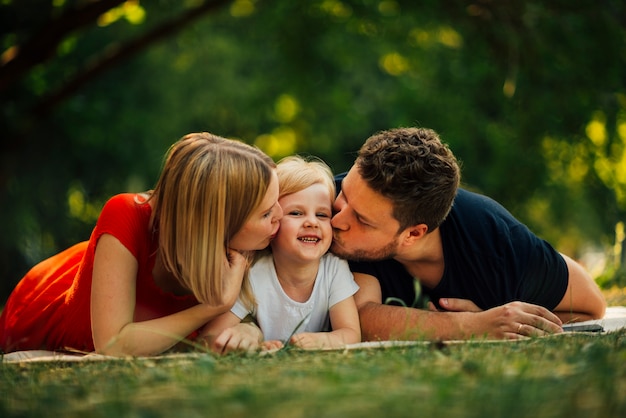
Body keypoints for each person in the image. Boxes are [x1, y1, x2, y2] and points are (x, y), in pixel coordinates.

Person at [0, 132, 283, 356]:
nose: (280, 217)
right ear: (217, 223)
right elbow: (113, 344)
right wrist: (213, 306)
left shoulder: (248, 244)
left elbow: (222, 331)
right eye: (267, 213)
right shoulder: (126, 214)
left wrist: (251, 331)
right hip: (44, 309)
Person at [330, 127, 607, 342]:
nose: (336, 218)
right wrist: (472, 326)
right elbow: (358, 319)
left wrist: (506, 320)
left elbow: (591, 305)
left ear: (413, 234)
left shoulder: (495, 246)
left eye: (361, 220)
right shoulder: (326, 200)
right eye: (345, 195)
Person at [201, 155, 361, 354]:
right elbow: (210, 337)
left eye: (322, 214)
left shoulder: (334, 269)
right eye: (296, 213)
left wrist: (323, 340)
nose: (312, 222)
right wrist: (249, 334)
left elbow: (351, 333)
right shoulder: (254, 274)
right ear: (273, 221)